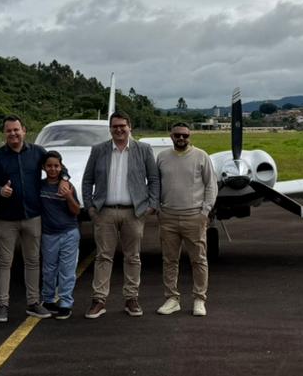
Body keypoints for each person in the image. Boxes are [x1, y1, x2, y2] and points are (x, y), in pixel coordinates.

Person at [81, 110, 160, 318]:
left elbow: (153, 179)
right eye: (114, 126)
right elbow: (87, 180)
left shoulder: (143, 149)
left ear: (129, 127)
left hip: (133, 212)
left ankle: (131, 298)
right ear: (110, 129)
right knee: (103, 256)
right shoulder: (98, 150)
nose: (118, 130)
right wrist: (90, 206)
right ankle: (99, 300)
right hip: (104, 212)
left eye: (122, 126)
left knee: (132, 257)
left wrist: (151, 205)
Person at [0, 115, 52, 323]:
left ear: (24, 130)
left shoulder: (38, 152)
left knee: (32, 261)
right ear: (4, 133)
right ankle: (2, 304)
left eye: (16, 130)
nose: (13, 133)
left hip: (32, 216)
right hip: (6, 219)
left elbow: (55, 166)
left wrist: (64, 178)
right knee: (4, 262)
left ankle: (33, 302)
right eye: (9, 130)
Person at [155, 123, 218, 317]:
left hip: (194, 216)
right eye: (177, 135)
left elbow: (211, 185)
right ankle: (172, 298)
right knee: (169, 260)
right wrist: (158, 208)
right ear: (171, 136)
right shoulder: (162, 157)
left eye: (184, 135)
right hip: (168, 217)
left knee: (198, 259)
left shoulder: (202, 156)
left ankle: (199, 298)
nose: (181, 139)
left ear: (190, 136)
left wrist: (204, 211)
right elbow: (156, 184)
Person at [39, 151, 81, 320]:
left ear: (61, 166)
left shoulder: (67, 186)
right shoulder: (40, 186)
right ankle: (48, 299)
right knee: (49, 269)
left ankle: (65, 302)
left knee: (67, 270)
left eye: (56, 166)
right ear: (43, 167)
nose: (53, 169)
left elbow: (76, 210)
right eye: (49, 166)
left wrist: (69, 196)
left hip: (69, 232)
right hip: (49, 234)